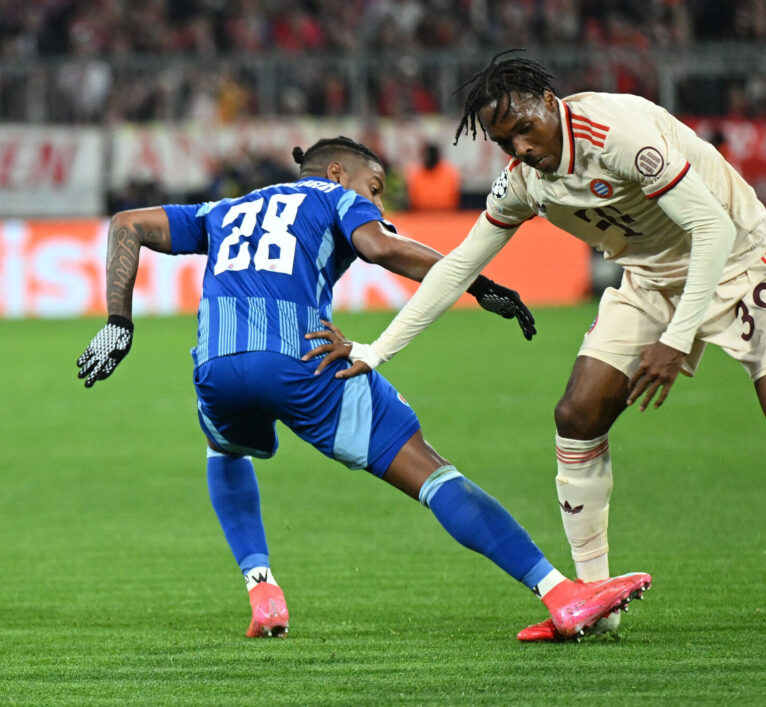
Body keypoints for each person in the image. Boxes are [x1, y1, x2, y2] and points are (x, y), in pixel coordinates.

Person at [314, 52, 766, 642]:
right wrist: (379, 349)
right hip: (649, 280)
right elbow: (458, 266)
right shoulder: (525, 182)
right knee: (577, 414)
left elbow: (713, 229)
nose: (519, 147)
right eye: (504, 141)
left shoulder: (620, 136)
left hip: (742, 261)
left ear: (551, 104)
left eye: (524, 128)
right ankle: (595, 601)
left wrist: (675, 342)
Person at [75, 135, 652, 640]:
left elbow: (127, 224)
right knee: (432, 472)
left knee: (224, 449)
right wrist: (477, 283)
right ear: (337, 174)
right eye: (375, 188)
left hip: (217, 364)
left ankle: (263, 591)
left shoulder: (226, 208)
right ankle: (560, 594)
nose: (378, 202)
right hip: (303, 359)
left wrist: (118, 324)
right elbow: (382, 248)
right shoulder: (335, 198)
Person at [404, 142, 461, 211]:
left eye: (431, 155)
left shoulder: (450, 173)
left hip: (447, 215)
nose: (428, 158)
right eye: (426, 156)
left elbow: (455, 199)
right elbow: (412, 202)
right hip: (420, 217)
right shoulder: (415, 175)